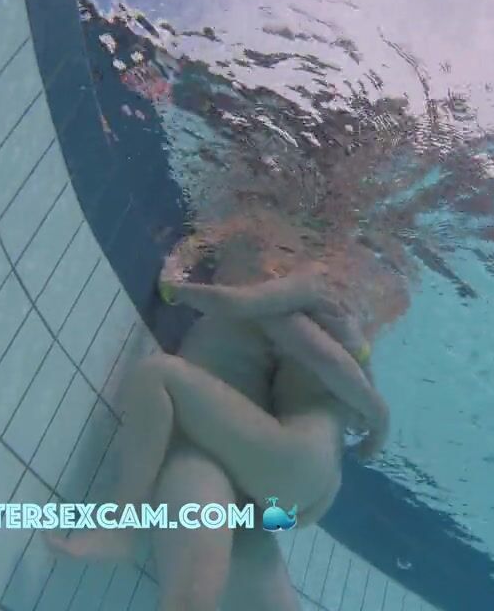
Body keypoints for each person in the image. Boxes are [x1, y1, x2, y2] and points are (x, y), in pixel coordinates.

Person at [48, 210, 408, 610]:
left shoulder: (290, 294)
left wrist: (181, 289)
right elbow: (336, 368)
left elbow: (272, 324)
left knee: (156, 374)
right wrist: (377, 419)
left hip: (279, 461)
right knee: (221, 558)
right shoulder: (346, 331)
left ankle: (121, 526)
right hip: (291, 491)